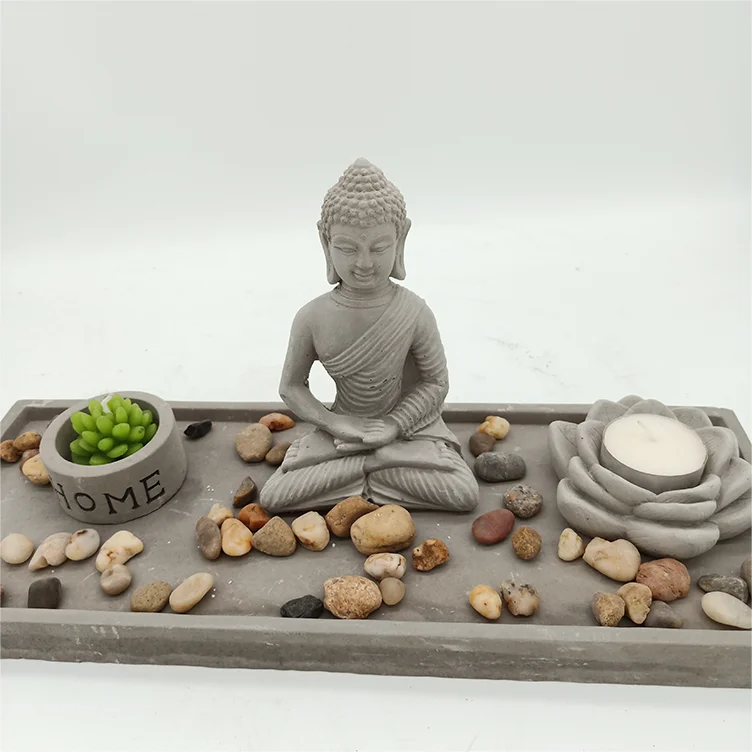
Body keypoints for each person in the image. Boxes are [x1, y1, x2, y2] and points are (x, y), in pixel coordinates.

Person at [259, 158, 479, 513]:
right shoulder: (311, 317)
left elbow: (436, 383)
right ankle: (376, 465)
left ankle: (368, 467)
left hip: (407, 432)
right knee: (273, 496)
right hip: (343, 433)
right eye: (348, 249)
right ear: (325, 242)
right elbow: (291, 387)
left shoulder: (414, 311)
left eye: (378, 248)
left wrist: (393, 425)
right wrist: (335, 423)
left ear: (401, 239)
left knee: (462, 492)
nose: (364, 263)